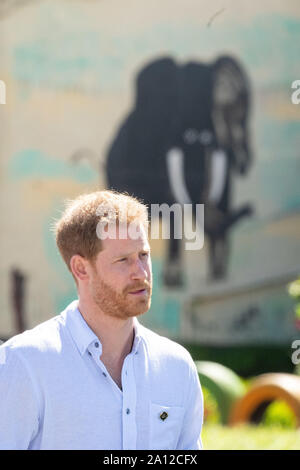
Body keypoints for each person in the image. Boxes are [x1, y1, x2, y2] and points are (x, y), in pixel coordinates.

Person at [0, 190, 204, 450]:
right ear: (81, 269)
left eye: (144, 255)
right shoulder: (24, 364)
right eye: (123, 260)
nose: (141, 273)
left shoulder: (177, 366)